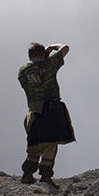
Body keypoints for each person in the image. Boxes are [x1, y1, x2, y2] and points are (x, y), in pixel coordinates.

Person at [18, 42, 75, 187]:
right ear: (43, 54)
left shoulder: (23, 70)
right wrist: (52, 47)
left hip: (32, 113)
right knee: (50, 145)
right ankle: (45, 177)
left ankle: (27, 174)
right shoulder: (49, 65)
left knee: (34, 145)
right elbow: (65, 48)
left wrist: (44, 56)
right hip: (50, 110)